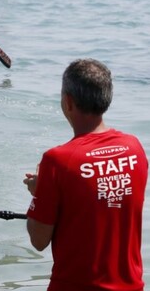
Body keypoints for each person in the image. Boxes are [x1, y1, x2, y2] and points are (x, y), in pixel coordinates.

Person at [23, 59, 148, 291]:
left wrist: (39, 192)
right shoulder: (135, 149)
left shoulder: (57, 161)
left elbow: (38, 240)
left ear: (67, 101)